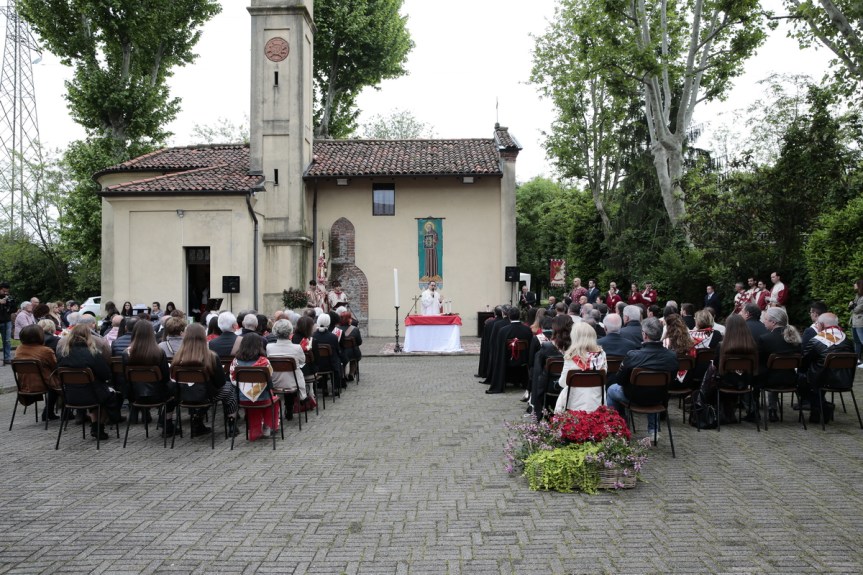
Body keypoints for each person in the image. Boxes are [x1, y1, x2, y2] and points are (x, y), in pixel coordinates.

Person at [606, 317, 678, 441]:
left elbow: (620, 380)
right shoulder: (671, 356)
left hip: (633, 398)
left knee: (611, 389)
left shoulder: (633, 355)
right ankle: (653, 430)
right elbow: (672, 379)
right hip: (659, 398)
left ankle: (619, 427)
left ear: (644, 335)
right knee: (655, 389)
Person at [55, 324, 119, 440]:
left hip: (70, 396)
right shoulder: (93, 353)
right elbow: (106, 375)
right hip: (93, 394)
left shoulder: (62, 354)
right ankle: (98, 427)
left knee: (99, 393)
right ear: (89, 336)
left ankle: (95, 425)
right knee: (110, 395)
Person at [172, 323, 238, 434]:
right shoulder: (211, 356)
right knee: (229, 389)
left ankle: (197, 421)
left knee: (203, 393)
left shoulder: (178, 356)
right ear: (203, 336)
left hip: (182, 394)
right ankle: (232, 424)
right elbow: (220, 382)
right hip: (207, 395)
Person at [124, 320, 178, 435]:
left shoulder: (126, 353)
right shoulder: (159, 352)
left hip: (135, 395)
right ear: (151, 334)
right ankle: (167, 423)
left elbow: (125, 377)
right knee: (176, 389)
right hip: (158, 395)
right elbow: (165, 378)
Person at [800, 313, 854, 423]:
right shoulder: (847, 341)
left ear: (821, 325)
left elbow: (804, 361)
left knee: (802, 378)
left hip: (821, 380)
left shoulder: (816, 340)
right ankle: (819, 408)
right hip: (845, 380)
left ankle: (820, 407)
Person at [230, 334, 280, 440]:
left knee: (259, 398)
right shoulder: (264, 362)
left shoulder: (235, 362)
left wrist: (247, 388)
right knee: (273, 398)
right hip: (264, 400)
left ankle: (255, 429)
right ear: (260, 345)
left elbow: (233, 381)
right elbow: (269, 380)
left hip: (242, 400)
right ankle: (267, 427)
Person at [757, 307, 802, 422]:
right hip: (791, 380)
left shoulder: (765, 339)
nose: (763, 321)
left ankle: (753, 411)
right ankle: (772, 409)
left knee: (756, 374)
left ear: (773, 322)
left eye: (765, 319)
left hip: (769, 381)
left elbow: (759, 361)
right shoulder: (795, 339)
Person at [554, 322, 606, 413]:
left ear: (575, 337)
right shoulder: (602, 355)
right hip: (597, 401)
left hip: (574, 404)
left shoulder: (570, 356)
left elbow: (562, 383)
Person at [717, 314, 759, 422]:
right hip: (746, 381)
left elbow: (716, 366)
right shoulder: (752, 346)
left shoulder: (722, 346)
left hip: (725, 382)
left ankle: (718, 411)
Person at [13, 324, 61, 421]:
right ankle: (62, 412)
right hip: (44, 384)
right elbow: (55, 367)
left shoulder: (19, 349)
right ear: (40, 336)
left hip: (24, 384)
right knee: (63, 381)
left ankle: (48, 412)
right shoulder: (45, 350)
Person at [529, 314, 572, 418]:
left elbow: (537, 371)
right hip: (570, 384)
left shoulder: (547, 347)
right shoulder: (576, 347)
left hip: (550, 385)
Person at [267, 319, 307, 401]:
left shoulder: (269, 347)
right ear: (290, 332)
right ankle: (290, 407)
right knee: (294, 373)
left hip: (275, 381)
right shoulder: (297, 348)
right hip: (293, 382)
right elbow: (303, 361)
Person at [312, 313, 344, 395]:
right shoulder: (333, 337)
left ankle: (324, 388)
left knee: (322, 361)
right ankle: (336, 387)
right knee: (336, 361)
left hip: (318, 365)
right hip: (331, 364)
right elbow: (337, 351)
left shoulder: (313, 336)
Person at [338, 308, 362, 381]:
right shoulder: (355, 329)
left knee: (343, 357)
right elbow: (359, 342)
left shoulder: (337, 329)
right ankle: (351, 373)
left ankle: (343, 374)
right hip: (353, 352)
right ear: (349, 319)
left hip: (341, 352)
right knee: (353, 359)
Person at [849, 279, 863, 366]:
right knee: (856, 341)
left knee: (862, 341)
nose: (854, 285)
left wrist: (852, 305)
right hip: (855, 322)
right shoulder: (857, 296)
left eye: (855, 284)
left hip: (861, 322)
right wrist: (852, 305)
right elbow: (853, 307)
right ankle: (857, 359)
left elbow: (857, 309)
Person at [0, 282, 15, 365]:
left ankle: (7, 358)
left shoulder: (8, 298)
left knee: (7, 340)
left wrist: (10, 304)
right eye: (4, 291)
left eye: (7, 291)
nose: (5, 293)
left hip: (6, 320)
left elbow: (14, 309)